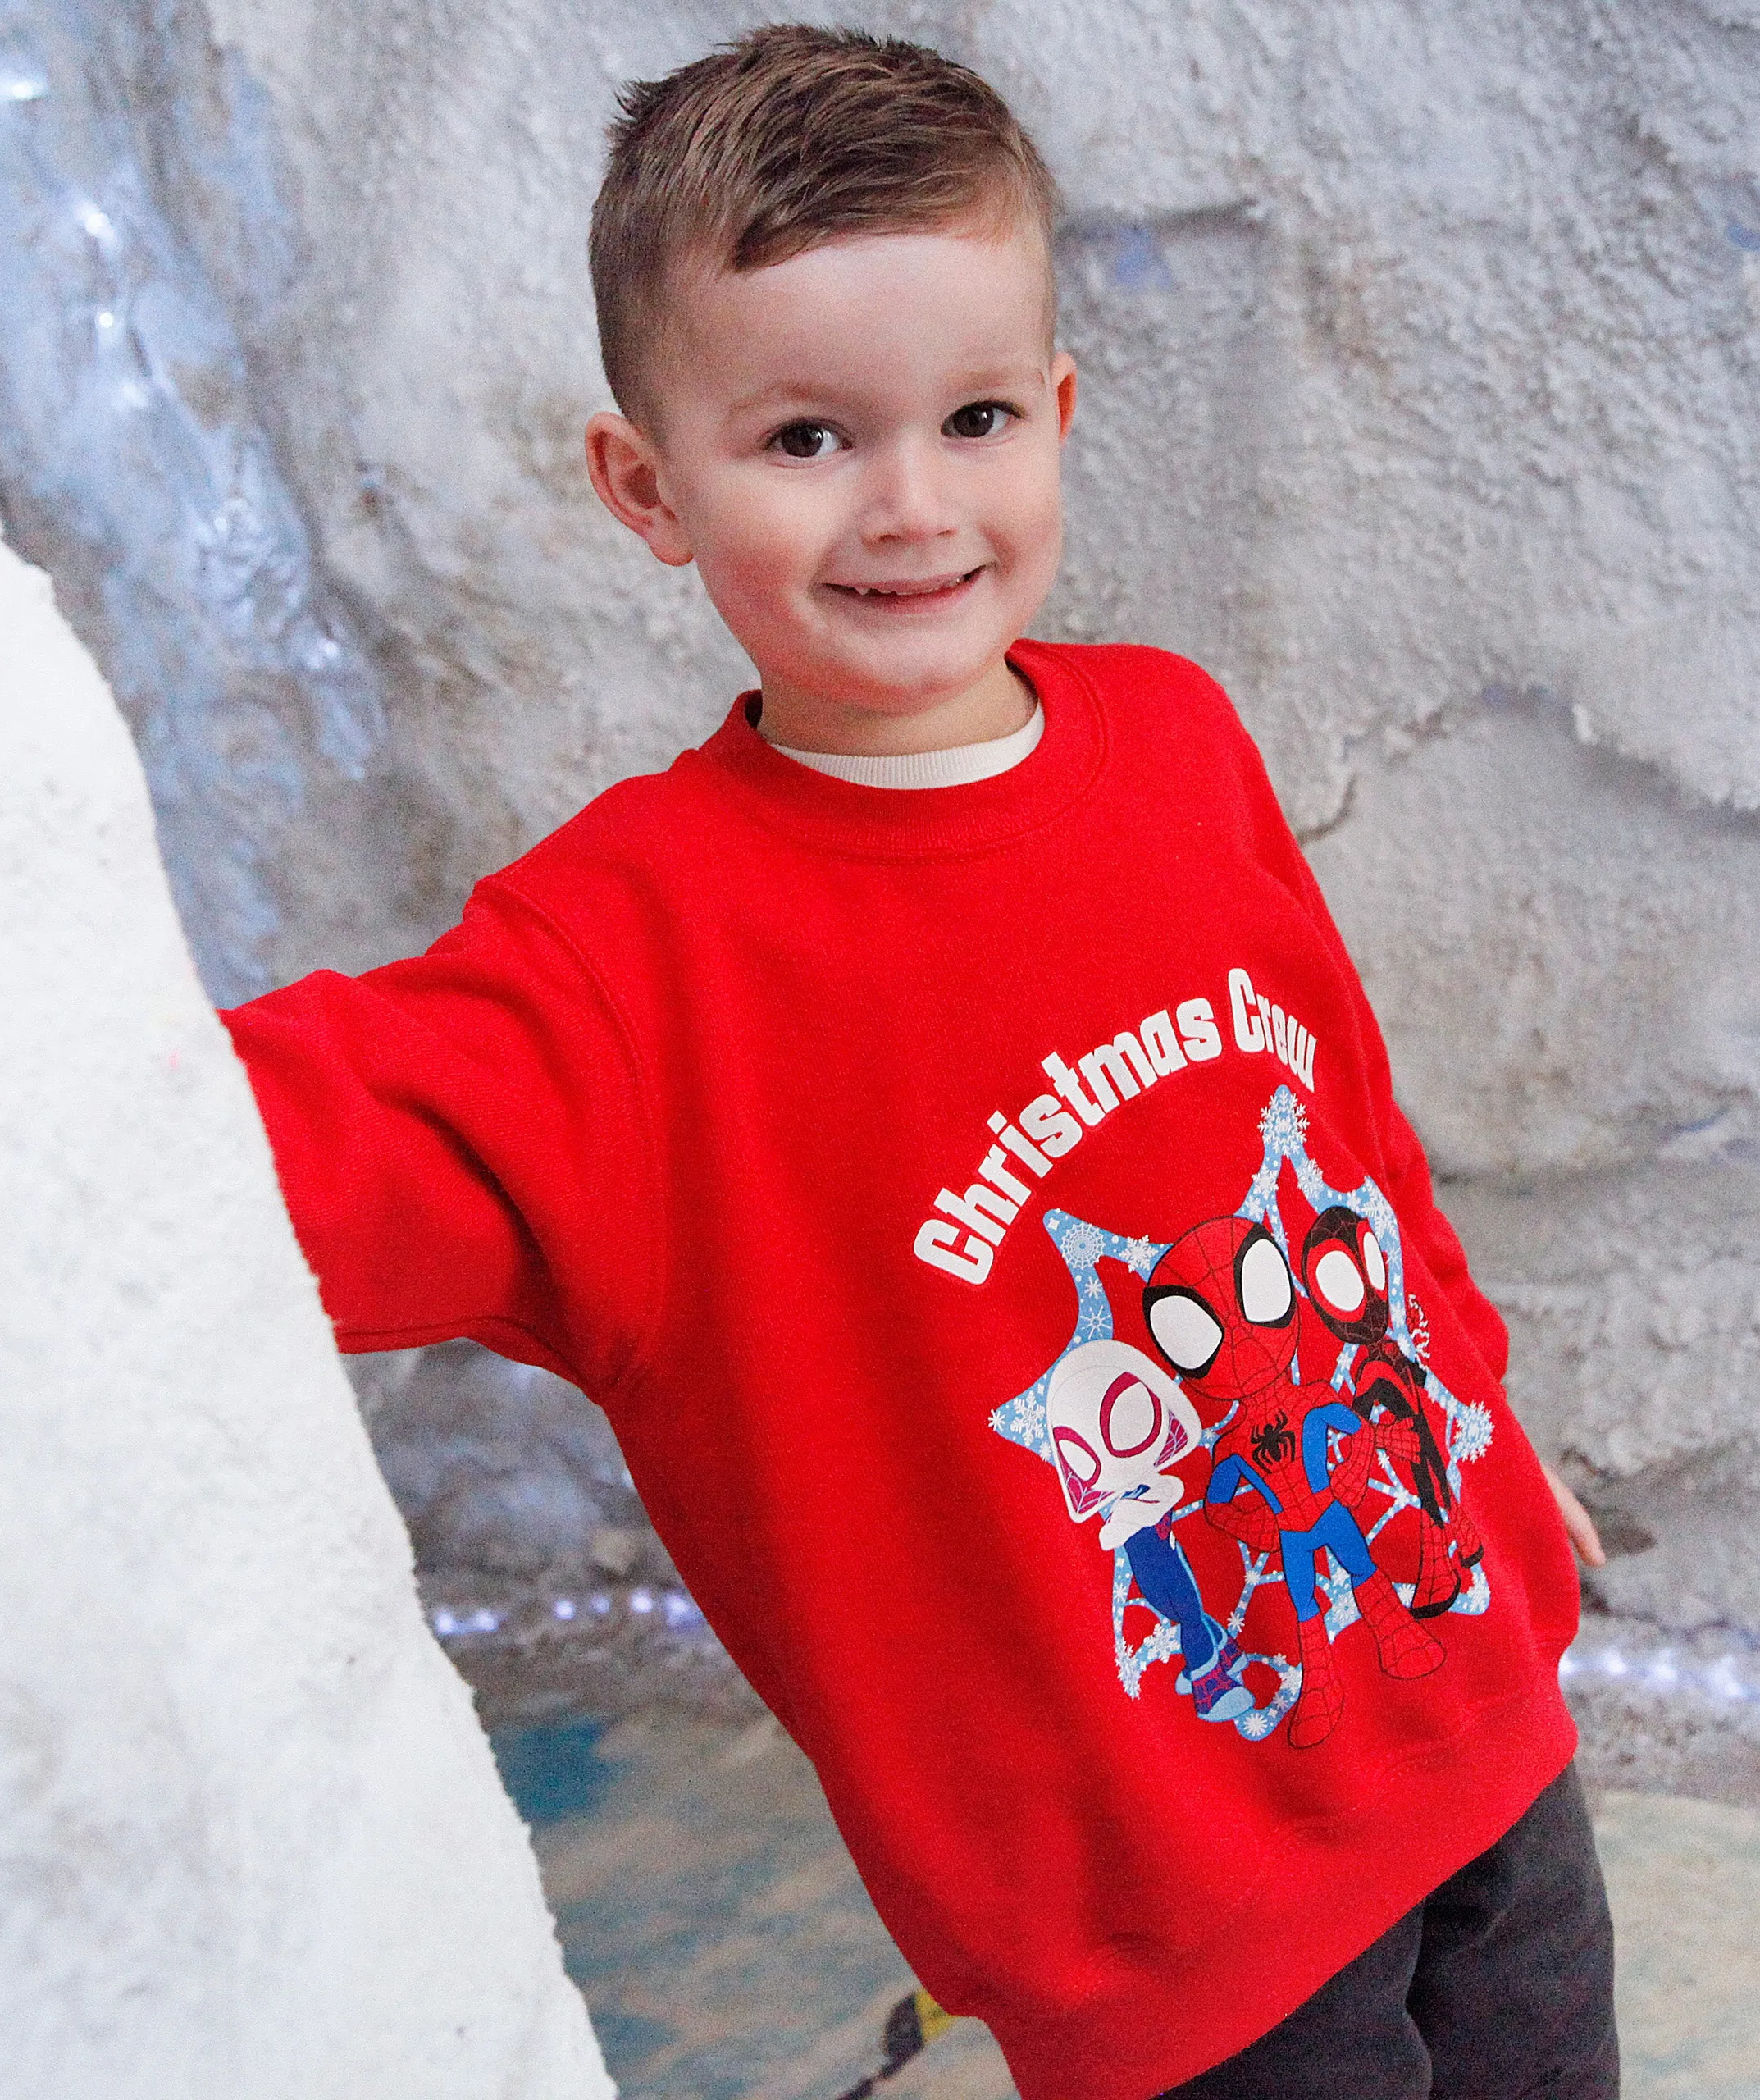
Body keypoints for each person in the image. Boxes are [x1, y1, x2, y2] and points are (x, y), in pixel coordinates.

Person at [221, 24, 1618, 2098]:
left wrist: (1483, 1417)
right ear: (648, 484)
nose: (908, 505)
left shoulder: (1173, 743)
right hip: (1169, 1929)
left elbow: (1337, 1129)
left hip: (1471, 1715)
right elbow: (197, 1155)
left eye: (972, 417)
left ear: (1055, 414)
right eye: (804, 437)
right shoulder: (626, 970)